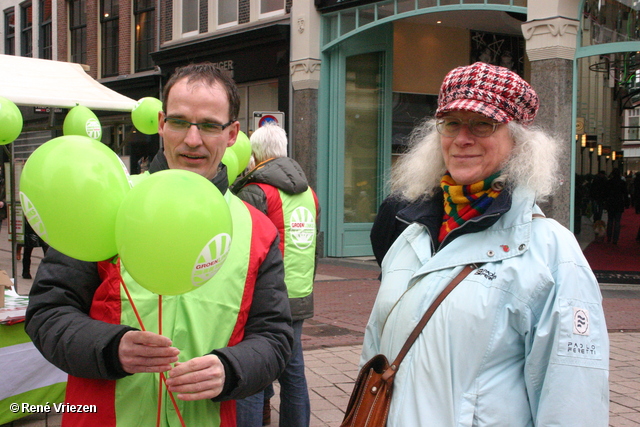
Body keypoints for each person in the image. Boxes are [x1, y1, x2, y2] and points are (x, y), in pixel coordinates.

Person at [25, 62, 294, 427]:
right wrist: (110, 348)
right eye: (180, 122)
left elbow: (275, 338)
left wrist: (230, 369)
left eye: (210, 126)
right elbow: (47, 314)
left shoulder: (258, 229)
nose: (193, 140)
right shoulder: (105, 203)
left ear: (232, 134)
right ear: (162, 124)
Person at [365, 62, 609, 425]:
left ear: (519, 140)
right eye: (451, 123)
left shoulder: (551, 252)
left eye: (482, 124)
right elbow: (375, 356)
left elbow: (573, 402)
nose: (462, 138)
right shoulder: (411, 234)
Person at [232, 124, 319, 427]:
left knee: (254, 372)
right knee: (293, 369)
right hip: (299, 294)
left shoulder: (255, 192)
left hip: (265, 296)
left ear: (253, 154)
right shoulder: (310, 194)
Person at [605, 167, 628, 245]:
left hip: (611, 203)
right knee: (617, 221)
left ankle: (608, 237)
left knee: (610, 220)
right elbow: (625, 194)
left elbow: (606, 193)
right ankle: (615, 239)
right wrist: (627, 203)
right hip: (619, 203)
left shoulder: (609, 182)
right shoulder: (622, 183)